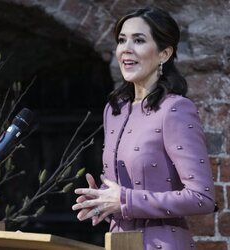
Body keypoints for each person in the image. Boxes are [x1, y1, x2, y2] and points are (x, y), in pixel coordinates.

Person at [72, 6, 216, 250]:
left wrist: (125, 200)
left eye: (138, 40)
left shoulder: (175, 109)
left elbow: (202, 198)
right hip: (119, 243)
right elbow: (124, 196)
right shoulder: (114, 110)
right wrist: (103, 201)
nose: (126, 49)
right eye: (121, 40)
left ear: (164, 54)